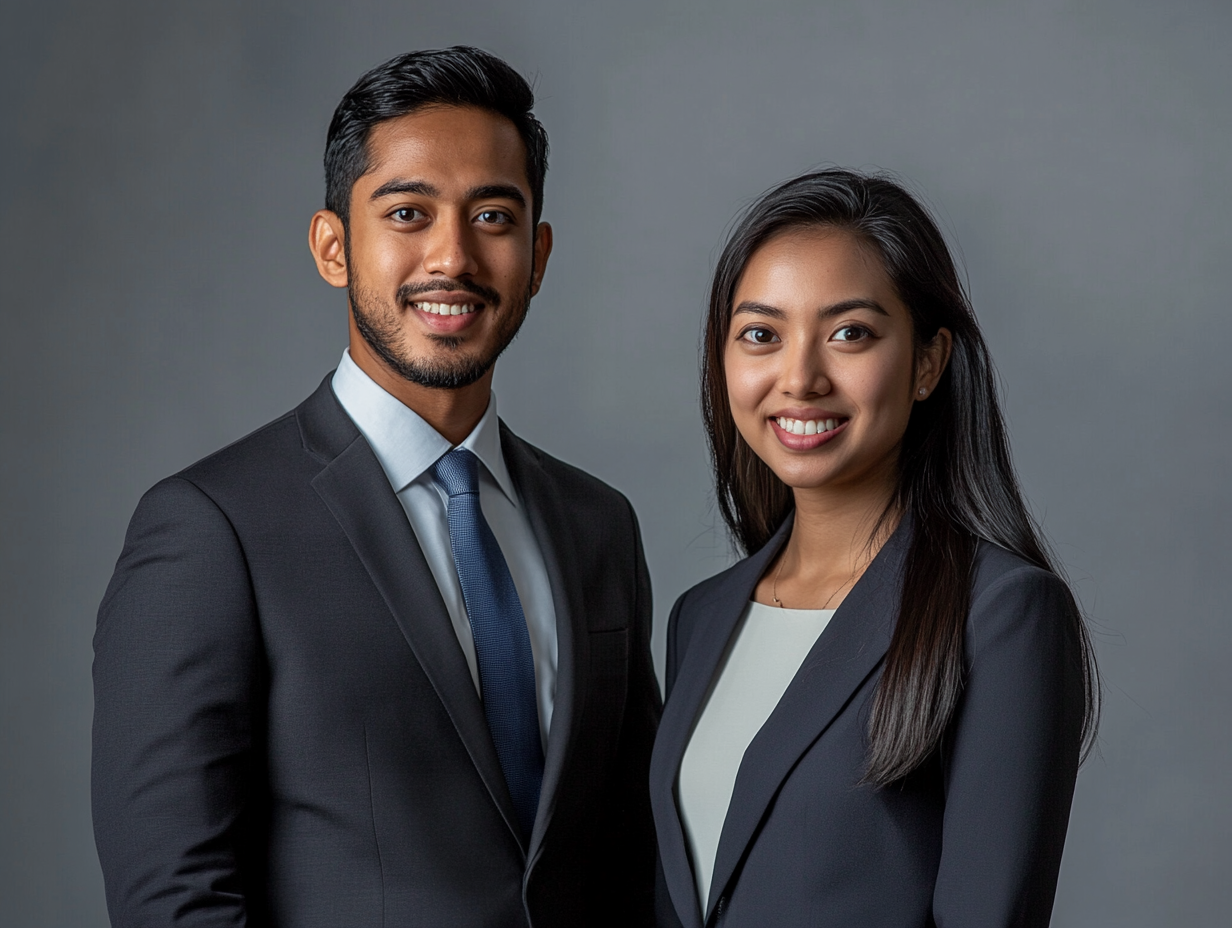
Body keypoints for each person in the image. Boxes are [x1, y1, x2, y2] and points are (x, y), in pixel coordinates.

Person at [92, 47, 659, 928]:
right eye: (407, 212)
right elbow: (175, 896)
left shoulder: (598, 526)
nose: (453, 256)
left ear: (538, 256)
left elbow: (631, 858)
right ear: (333, 247)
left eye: (494, 217)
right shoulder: (212, 530)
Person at [649, 169, 1098, 928]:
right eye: (761, 334)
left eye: (849, 333)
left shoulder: (1002, 616)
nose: (800, 377)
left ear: (928, 362)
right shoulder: (702, 617)